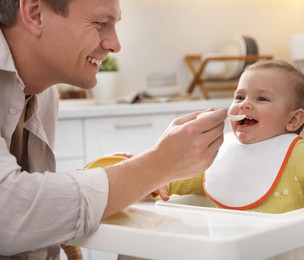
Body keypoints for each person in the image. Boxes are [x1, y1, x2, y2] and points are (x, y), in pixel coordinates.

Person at [0, 0, 226, 258]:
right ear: (34, 13)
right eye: (99, 24)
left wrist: (132, 182)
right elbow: (8, 215)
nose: (114, 44)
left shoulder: (45, 95)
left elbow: (34, 226)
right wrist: (159, 164)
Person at [154, 59, 304, 243]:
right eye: (239, 97)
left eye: (261, 99)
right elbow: (196, 177)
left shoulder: (296, 154)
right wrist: (160, 182)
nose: (244, 105)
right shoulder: (222, 149)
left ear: (292, 120)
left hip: (284, 251)